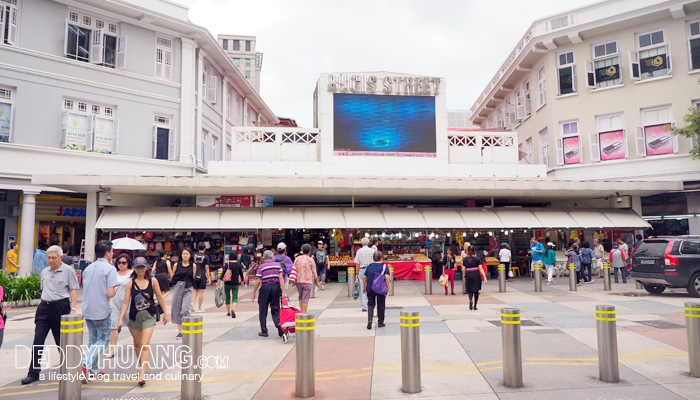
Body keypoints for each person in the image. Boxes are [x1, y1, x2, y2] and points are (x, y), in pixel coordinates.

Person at [21, 245, 79, 384]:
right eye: (49, 258)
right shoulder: (44, 271)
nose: (51, 260)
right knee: (38, 340)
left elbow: (73, 290)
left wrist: (73, 309)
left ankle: (69, 371)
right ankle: (33, 373)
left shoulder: (67, 271)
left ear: (61, 257)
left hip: (60, 307)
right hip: (44, 307)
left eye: (54, 258)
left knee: (61, 342)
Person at [117, 256, 169, 386]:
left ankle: (142, 374)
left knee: (145, 344)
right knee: (137, 344)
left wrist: (165, 314)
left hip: (148, 316)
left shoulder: (153, 281)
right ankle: (141, 367)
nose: (140, 269)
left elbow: (160, 298)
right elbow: (125, 302)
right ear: (134, 268)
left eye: (142, 267)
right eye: (137, 267)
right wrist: (120, 319)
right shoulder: (130, 283)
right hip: (134, 317)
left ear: (147, 267)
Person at [80, 240, 118, 383]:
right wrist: (115, 289)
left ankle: (93, 371)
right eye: (112, 251)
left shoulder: (88, 268)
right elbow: (110, 294)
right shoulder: (110, 269)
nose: (112, 253)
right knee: (103, 340)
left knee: (93, 340)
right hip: (101, 309)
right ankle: (84, 363)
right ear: (107, 253)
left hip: (88, 308)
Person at [251, 250, 287, 337]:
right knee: (276, 308)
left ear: (263, 258)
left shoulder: (261, 267)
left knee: (263, 309)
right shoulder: (278, 265)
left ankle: (264, 330)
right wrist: (283, 291)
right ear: (272, 258)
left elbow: (258, 281)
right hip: (276, 287)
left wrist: (254, 293)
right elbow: (281, 278)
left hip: (265, 288)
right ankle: (278, 323)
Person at [105, 253, 134, 359]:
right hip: (114, 301)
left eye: (124, 263)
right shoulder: (113, 273)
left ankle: (137, 344)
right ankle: (112, 350)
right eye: (119, 262)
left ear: (128, 263)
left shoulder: (132, 273)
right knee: (113, 326)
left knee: (131, 326)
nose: (121, 265)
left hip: (128, 302)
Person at [170, 247, 196, 339]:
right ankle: (180, 331)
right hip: (178, 287)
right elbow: (173, 276)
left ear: (190, 255)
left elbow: (193, 278)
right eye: (184, 254)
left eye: (187, 254)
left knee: (185, 309)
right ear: (181, 255)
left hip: (188, 288)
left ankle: (186, 329)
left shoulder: (193, 266)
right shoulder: (177, 265)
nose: (185, 255)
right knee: (176, 309)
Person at [363, 251, 390, 330]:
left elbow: (364, 277)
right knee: (381, 305)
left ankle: (370, 320)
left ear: (373, 258)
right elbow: (387, 278)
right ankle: (380, 322)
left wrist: (364, 286)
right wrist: (388, 289)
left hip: (370, 288)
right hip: (381, 289)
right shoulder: (384, 267)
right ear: (382, 258)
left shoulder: (369, 266)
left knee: (370, 304)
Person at [290, 244, 319, 313]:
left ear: (302, 250)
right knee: (305, 298)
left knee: (300, 296)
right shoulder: (311, 260)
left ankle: (301, 311)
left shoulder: (297, 259)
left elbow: (294, 269)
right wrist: (317, 282)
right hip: (307, 281)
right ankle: (304, 313)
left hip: (298, 281)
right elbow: (315, 272)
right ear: (309, 251)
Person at [354, 237, 375, 312]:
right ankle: (371, 303)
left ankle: (364, 306)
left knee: (362, 288)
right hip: (370, 270)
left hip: (362, 270)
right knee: (371, 286)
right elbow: (374, 262)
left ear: (361, 243)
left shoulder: (359, 251)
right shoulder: (372, 251)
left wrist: (356, 273)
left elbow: (357, 263)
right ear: (368, 243)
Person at [221, 253, 245, 318]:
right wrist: (242, 281)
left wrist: (219, 280)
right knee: (235, 297)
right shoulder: (238, 264)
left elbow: (223, 273)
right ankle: (233, 309)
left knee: (227, 297)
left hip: (227, 283)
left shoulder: (227, 264)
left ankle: (228, 312)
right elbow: (241, 274)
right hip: (235, 283)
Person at [463, 246, 486, 310]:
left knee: (469, 289)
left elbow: (464, 268)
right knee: (476, 290)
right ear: (474, 251)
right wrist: (484, 277)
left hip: (468, 274)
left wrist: (465, 275)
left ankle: (470, 300)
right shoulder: (477, 259)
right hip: (476, 274)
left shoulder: (465, 259)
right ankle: (475, 305)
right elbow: (481, 268)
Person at [192, 243, 211, 313]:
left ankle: (191, 304)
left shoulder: (194, 255)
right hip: (202, 275)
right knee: (201, 292)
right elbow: (207, 268)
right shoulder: (206, 257)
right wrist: (208, 277)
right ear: (205, 249)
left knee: (195, 290)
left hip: (194, 275)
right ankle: (199, 308)